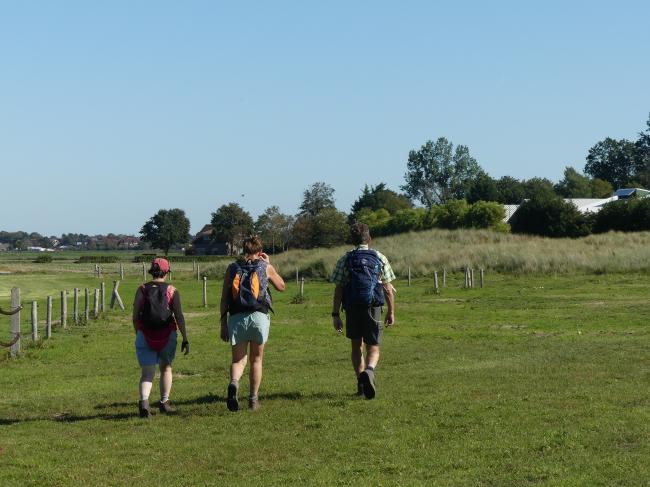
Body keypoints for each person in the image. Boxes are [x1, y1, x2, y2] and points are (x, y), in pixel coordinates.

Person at [330, 222, 396, 399]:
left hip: (352, 308)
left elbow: (339, 290)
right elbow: (388, 289)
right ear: (370, 238)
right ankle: (369, 371)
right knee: (373, 347)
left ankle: (361, 384)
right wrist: (391, 312)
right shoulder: (379, 257)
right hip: (373, 307)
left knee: (356, 346)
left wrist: (335, 314)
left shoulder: (345, 259)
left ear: (352, 240)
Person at [220, 235, 285, 411]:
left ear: (243, 249)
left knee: (238, 360)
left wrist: (223, 323)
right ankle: (253, 399)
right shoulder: (265, 267)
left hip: (236, 317)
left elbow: (225, 298)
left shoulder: (232, 267)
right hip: (258, 316)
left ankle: (234, 383)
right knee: (256, 360)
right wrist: (269, 264)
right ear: (260, 251)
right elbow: (281, 286)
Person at [132, 257, 189, 418]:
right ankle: (164, 403)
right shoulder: (172, 290)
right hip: (167, 334)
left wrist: (139, 333)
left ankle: (144, 402)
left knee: (147, 373)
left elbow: (135, 316)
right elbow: (179, 316)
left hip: (145, 334)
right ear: (166, 272)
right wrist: (185, 338)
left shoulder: (142, 289)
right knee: (166, 368)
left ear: (152, 270)